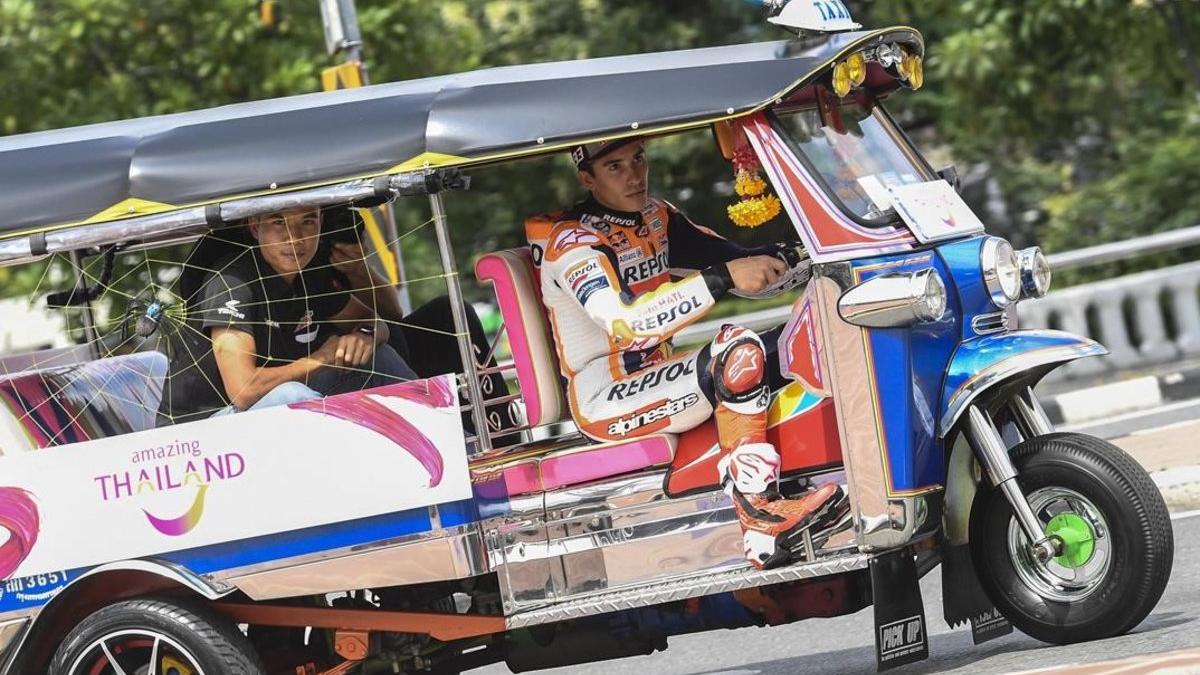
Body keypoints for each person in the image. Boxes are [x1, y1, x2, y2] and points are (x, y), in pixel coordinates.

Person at [526, 138, 844, 569]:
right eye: (615, 167)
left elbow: (740, 261)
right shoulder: (571, 243)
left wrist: (817, 251)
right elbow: (627, 324)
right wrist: (720, 277)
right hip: (607, 397)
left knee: (794, 342)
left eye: (638, 159)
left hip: (658, 374)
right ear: (588, 179)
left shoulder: (655, 217)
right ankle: (761, 516)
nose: (634, 175)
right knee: (738, 353)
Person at [157, 206, 415, 425]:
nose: (295, 238)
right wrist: (321, 359)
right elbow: (244, 390)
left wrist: (364, 336)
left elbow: (381, 319)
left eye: (307, 221)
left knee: (378, 357)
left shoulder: (310, 273)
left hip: (270, 410)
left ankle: (438, 447)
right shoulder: (231, 280)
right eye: (279, 222)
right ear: (255, 227)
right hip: (203, 430)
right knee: (292, 396)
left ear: (320, 224)